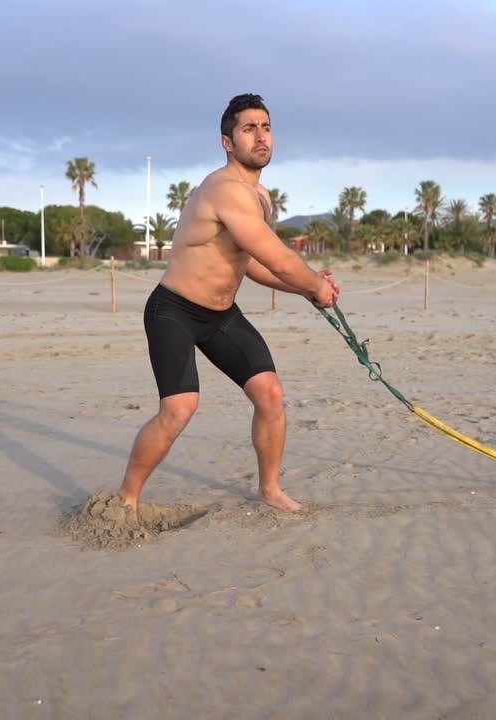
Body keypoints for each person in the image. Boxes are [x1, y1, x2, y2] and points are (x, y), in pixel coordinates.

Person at [116, 93, 339, 515]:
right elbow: (277, 257)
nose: (261, 136)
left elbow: (251, 263)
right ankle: (126, 499)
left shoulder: (260, 196)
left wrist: (305, 290)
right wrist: (314, 282)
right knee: (179, 408)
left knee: (270, 394)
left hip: (221, 315)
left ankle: (269, 490)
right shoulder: (225, 190)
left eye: (266, 127)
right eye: (249, 129)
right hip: (174, 311)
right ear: (227, 141)